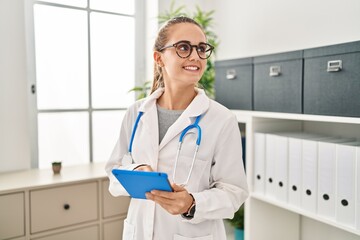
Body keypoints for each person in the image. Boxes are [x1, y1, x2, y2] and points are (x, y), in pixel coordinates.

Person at [106, 16, 248, 240]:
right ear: (159, 58)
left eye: (202, 48)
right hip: (139, 231)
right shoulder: (136, 113)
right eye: (183, 47)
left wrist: (192, 204)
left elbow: (234, 193)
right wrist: (137, 170)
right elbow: (113, 173)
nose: (195, 56)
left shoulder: (221, 119)